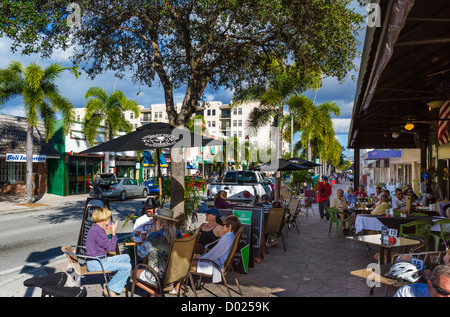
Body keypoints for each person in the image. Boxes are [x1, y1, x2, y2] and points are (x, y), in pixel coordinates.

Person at [135, 208, 183, 296]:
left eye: (156, 219)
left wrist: (152, 233)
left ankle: (157, 294)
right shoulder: (178, 234)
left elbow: (140, 253)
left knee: (133, 274)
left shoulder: (154, 236)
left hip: (158, 276)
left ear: (159, 223)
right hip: (175, 274)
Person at [85, 207, 131, 297]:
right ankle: (110, 289)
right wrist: (113, 232)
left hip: (99, 259)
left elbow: (105, 244)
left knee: (126, 257)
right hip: (96, 263)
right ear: (103, 219)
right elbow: (111, 248)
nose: (110, 220)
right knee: (127, 267)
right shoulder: (98, 231)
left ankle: (118, 285)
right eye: (108, 218)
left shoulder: (96, 227)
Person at [191, 215, 241, 283]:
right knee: (191, 260)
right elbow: (215, 254)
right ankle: (178, 287)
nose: (222, 226)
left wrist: (199, 257)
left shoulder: (226, 238)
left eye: (224, 224)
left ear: (229, 227)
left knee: (187, 263)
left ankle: (177, 288)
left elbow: (214, 255)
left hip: (216, 266)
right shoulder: (231, 237)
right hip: (218, 263)